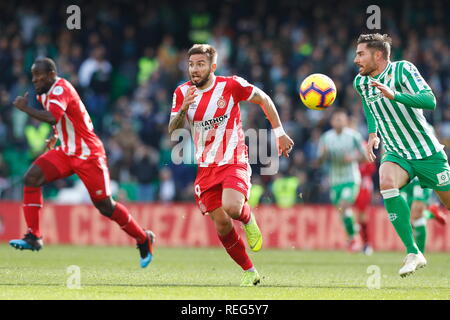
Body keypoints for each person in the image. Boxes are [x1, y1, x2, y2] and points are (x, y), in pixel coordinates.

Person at [9, 58, 155, 268]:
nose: (34, 80)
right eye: (32, 76)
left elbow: (52, 116)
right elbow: (62, 119)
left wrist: (25, 109)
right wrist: (55, 135)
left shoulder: (61, 89)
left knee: (105, 206)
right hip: (67, 152)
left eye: (38, 76)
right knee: (31, 178)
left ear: (51, 75)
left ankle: (143, 238)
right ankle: (34, 236)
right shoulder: (43, 93)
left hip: (89, 154)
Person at [168, 44, 294, 286]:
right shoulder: (182, 92)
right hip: (205, 167)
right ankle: (250, 272)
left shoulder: (231, 85)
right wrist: (184, 108)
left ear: (213, 67)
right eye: (191, 64)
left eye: (200, 64)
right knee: (223, 223)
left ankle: (248, 219)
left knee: (232, 208)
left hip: (234, 158)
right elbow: (172, 128)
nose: (194, 69)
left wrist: (279, 132)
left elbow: (264, 99)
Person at [353, 33, 450, 277]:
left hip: (426, 152)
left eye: (360, 53)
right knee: (386, 181)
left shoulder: (403, 70)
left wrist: (394, 95)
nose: (356, 59)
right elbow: (368, 104)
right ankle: (413, 251)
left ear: (378, 55)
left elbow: (430, 101)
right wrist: (373, 133)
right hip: (396, 152)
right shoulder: (360, 82)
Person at [318, 110, 367, 252]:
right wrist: (324, 154)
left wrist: (353, 158)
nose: (338, 122)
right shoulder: (326, 138)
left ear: (345, 121)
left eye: (341, 119)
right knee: (342, 211)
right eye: (336, 119)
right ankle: (353, 230)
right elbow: (319, 161)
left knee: (344, 205)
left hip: (351, 179)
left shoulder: (354, 137)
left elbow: (366, 158)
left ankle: (353, 238)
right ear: (332, 122)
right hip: (335, 181)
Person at [400, 177, 447, 253]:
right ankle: (430, 213)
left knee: (416, 214)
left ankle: (418, 253)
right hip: (404, 178)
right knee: (406, 218)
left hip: (419, 177)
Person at [354, 160, 377, 255]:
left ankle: (366, 244)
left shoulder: (364, 147)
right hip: (353, 184)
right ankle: (360, 242)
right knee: (355, 215)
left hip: (363, 186)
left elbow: (371, 168)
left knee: (361, 215)